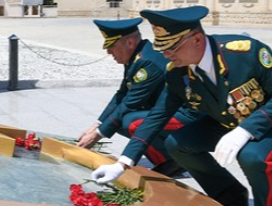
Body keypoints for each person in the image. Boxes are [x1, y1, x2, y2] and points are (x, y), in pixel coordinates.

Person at [91, 6, 272, 206]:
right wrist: (122, 163)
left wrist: (245, 131)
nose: (166, 55)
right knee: (177, 144)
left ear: (197, 40)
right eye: (162, 48)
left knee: (251, 156)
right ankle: (229, 193)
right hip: (226, 120)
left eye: (172, 48)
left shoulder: (246, 52)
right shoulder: (178, 72)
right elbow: (157, 117)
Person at [76, 18, 196, 177]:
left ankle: (171, 161)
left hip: (186, 115)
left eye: (112, 46)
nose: (108, 52)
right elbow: (121, 94)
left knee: (130, 122)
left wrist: (96, 136)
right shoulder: (135, 57)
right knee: (115, 121)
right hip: (165, 110)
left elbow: (130, 103)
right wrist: (96, 126)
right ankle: (168, 154)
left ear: (130, 43)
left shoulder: (147, 63)